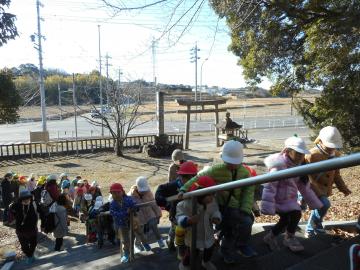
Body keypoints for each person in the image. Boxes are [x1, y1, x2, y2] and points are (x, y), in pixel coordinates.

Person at [179, 140, 256, 263]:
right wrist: (184, 189)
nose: (231, 165)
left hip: (235, 206)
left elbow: (248, 192)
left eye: (234, 163)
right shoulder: (216, 170)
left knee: (242, 223)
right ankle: (228, 249)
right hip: (219, 205)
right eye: (228, 162)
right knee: (233, 228)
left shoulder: (245, 173)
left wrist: (245, 208)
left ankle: (236, 246)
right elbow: (198, 178)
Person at [261, 136, 323, 252]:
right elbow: (270, 187)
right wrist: (267, 206)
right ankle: (285, 237)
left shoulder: (299, 166)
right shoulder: (279, 166)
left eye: (302, 154)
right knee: (290, 217)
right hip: (278, 200)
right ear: (288, 151)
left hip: (289, 200)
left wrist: (315, 203)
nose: (301, 157)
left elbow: (304, 187)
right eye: (298, 153)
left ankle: (277, 237)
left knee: (292, 216)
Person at [305, 126, 352, 237]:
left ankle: (317, 224)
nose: (331, 149)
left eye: (333, 147)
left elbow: (336, 174)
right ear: (320, 141)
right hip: (313, 187)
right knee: (324, 205)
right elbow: (306, 175)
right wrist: (317, 191)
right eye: (329, 146)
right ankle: (310, 228)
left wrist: (343, 188)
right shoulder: (311, 155)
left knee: (321, 207)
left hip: (325, 189)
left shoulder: (336, 155)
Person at [176, 176, 221, 270]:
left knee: (209, 249)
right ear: (200, 195)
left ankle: (206, 261)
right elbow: (179, 216)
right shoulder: (185, 204)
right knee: (192, 252)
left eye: (213, 194)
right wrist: (187, 220)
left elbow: (215, 211)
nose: (212, 198)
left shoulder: (212, 202)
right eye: (210, 195)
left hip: (208, 233)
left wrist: (216, 217)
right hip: (193, 236)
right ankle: (185, 264)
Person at [155, 161, 198, 253]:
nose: (189, 180)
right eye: (185, 177)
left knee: (185, 229)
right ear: (180, 176)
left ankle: (183, 246)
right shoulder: (174, 185)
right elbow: (160, 190)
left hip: (188, 212)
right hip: (175, 213)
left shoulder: (196, 185)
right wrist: (167, 205)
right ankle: (171, 242)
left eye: (192, 177)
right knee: (175, 229)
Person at [130, 176, 164, 251]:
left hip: (149, 213)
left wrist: (158, 214)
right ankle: (139, 245)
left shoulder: (148, 192)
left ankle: (159, 239)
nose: (143, 192)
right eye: (142, 190)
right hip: (139, 216)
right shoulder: (131, 195)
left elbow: (153, 203)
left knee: (154, 225)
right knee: (139, 231)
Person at [109, 182, 136, 263]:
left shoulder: (127, 199)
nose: (116, 195)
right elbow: (114, 213)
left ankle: (135, 248)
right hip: (121, 224)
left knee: (133, 236)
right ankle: (126, 254)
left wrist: (132, 208)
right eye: (113, 193)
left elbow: (134, 204)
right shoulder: (113, 204)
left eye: (118, 192)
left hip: (131, 221)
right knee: (124, 240)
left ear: (122, 192)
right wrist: (125, 213)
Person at [10, 190, 38, 264]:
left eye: (28, 198)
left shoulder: (33, 204)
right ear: (21, 199)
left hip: (32, 229)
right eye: (24, 199)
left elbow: (40, 212)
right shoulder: (16, 205)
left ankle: (30, 255)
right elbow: (11, 211)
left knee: (34, 243)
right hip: (21, 230)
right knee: (24, 246)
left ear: (30, 198)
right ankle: (30, 256)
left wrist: (43, 224)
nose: (26, 200)